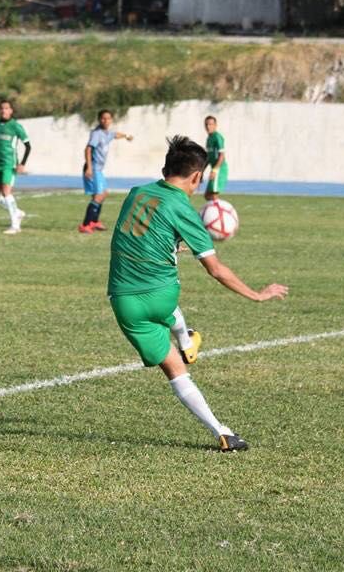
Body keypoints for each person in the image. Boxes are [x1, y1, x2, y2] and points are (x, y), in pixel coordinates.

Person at [107, 136, 288, 452]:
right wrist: (257, 294)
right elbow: (216, 270)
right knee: (167, 307)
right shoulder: (184, 209)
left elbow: (140, 231)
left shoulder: (136, 194)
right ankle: (190, 348)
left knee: (175, 371)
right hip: (162, 295)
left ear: (165, 167)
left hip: (124, 302)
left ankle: (219, 424)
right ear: (195, 177)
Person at [78, 109, 134, 234]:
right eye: (103, 118)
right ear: (99, 120)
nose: (106, 120)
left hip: (98, 169)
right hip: (93, 168)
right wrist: (89, 167)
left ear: (111, 120)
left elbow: (115, 135)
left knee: (101, 194)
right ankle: (85, 224)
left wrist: (126, 136)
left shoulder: (107, 133)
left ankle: (94, 221)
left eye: (108, 118)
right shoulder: (97, 133)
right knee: (100, 195)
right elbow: (87, 149)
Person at [0, 99, 32, 234]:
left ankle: (15, 226)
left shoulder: (16, 126)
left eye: (7, 108)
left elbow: (28, 146)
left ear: (11, 111)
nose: (4, 110)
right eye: (1, 108)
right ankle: (17, 212)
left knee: (6, 192)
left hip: (9, 164)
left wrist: (22, 163)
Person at [203, 115, 227, 200]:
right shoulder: (209, 139)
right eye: (206, 124)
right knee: (207, 195)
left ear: (215, 125)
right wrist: (202, 171)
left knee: (213, 195)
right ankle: (214, 212)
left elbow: (222, 156)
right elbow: (208, 158)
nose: (208, 126)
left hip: (219, 169)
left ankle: (220, 212)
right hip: (214, 169)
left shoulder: (217, 137)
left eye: (210, 124)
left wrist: (215, 170)